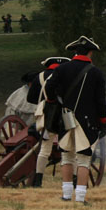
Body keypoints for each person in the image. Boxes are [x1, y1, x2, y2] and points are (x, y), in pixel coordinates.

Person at [44, 37, 106, 203]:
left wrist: (53, 101)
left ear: (75, 52)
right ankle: (80, 197)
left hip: (65, 118)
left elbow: (49, 88)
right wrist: (103, 120)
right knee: (84, 160)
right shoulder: (95, 72)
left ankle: (66, 195)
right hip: (88, 121)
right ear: (90, 52)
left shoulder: (62, 69)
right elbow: (100, 101)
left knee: (67, 157)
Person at [27, 56, 69, 187]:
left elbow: (31, 98)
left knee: (44, 149)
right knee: (67, 147)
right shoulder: (65, 76)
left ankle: (38, 180)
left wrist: (43, 102)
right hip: (64, 114)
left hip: (46, 114)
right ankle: (69, 180)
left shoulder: (40, 77)